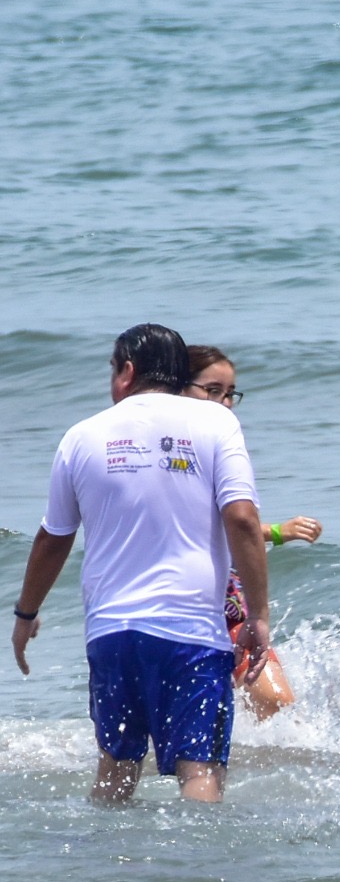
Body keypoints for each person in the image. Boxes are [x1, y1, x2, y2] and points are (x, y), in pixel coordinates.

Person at [11, 325, 268, 804]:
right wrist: (258, 613)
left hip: (110, 634)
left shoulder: (81, 436)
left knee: (115, 770)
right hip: (191, 631)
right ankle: (198, 853)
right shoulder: (216, 422)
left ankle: (103, 850)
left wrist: (25, 614)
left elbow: (53, 538)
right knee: (200, 768)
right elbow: (241, 518)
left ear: (127, 371)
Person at [186, 344, 323, 721]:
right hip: (179, 604)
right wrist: (278, 531)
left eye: (230, 393)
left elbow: (232, 522)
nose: (226, 402)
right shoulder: (171, 451)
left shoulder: (220, 444)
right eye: (213, 390)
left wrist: (279, 532)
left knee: (276, 705)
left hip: (227, 602)